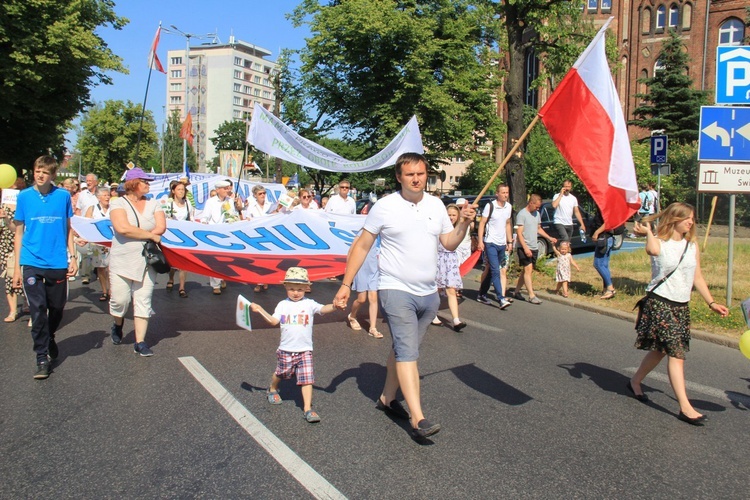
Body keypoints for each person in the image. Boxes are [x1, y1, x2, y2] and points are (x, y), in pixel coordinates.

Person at [333, 152, 475, 441]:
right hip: (395, 289)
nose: (416, 178)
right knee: (409, 353)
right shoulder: (385, 207)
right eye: (410, 174)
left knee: (401, 349)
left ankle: (387, 398)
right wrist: (346, 284)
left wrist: (464, 224)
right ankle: (418, 418)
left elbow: (449, 243)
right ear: (399, 177)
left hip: (429, 294)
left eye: (421, 173)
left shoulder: (436, 205)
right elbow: (361, 246)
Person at [628, 203, 728, 425]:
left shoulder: (691, 246)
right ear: (674, 219)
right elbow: (652, 251)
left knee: (661, 351)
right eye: (687, 218)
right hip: (660, 303)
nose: (691, 222)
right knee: (676, 353)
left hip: (681, 307)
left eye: (692, 218)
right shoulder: (659, 242)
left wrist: (711, 302)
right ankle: (685, 407)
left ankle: (635, 381)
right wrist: (649, 231)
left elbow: (697, 277)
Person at [12, 156, 78, 379]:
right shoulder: (24, 196)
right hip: (31, 261)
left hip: (57, 260)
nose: (40, 175)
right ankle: (41, 357)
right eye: (37, 170)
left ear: (52, 175)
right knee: (38, 309)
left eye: (45, 172)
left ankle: (49, 336)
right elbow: (19, 232)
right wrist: (16, 267)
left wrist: (73, 256)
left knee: (57, 307)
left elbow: (68, 228)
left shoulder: (62, 196)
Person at [250, 267, 336, 423]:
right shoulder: (283, 305)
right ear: (285, 287)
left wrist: (335, 305)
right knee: (281, 373)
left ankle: (308, 409)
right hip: (286, 349)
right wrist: (260, 310)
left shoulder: (309, 304)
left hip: (305, 350)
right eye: (291, 288)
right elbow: (273, 321)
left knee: (307, 379)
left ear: (306, 288)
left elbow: (323, 309)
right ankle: (272, 388)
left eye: (299, 289)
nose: (295, 292)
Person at [108, 167, 166, 356]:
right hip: (122, 259)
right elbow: (122, 228)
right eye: (145, 181)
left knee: (143, 299)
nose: (148, 184)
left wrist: (146, 235)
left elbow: (161, 227)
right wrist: (149, 235)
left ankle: (140, 342)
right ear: (133, 184)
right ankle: (118, 323)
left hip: (147, 259)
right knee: (120, 300)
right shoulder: (118, 203)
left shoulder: (154, 204)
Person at [513, 194, 557, 305]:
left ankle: (516, 291)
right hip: (524, 247)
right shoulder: (522, 214)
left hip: (534, 247)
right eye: (536, 206)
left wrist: (549, 237)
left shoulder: (536, 214)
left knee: (526, 271)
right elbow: (519, 233)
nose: (537, 209)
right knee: (528, 270)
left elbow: (538, 229)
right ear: (531, 203)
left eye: (539, 207)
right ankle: (531, 295)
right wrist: (525, 248)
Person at [476, 184, 513, 309]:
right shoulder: (490, 206)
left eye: (507, 192)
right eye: (503, 192)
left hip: (502, 244)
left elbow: (507, 224)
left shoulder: (508, 207)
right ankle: (501, 298)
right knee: (496, 270)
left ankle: (481, 294)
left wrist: (509, 241)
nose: (505, 195)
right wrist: (480, 241)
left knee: (492, 272)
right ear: (497, 193)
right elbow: (482, 223)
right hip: (490, 242)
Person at [433, 204, 467, 331]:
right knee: (436, 290)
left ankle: (456, 320)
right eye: (449, 215)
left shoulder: (457, 228)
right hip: (438, 258)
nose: (451, 217)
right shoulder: (439, 226)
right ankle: (433, 314)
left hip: (450, 260)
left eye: (454, 215)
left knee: (451, 290)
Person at [202, 179, 237, 295]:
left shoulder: (230, 201)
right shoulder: (210, 202)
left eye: (228, 188)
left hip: (226, 233)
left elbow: (232, 215)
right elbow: (205, 217)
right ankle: (215, 285)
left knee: (225, 259)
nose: (227, 190)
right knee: (214, 260)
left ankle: (222, 277)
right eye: (224, 188)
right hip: (213, 233)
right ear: (218, 190)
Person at [346, 231, 383, 338]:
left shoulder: (384, 234)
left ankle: (373, 328)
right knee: (361, 299)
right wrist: (349, 272)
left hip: (375, 269)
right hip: (360, 268)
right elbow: (351, 251)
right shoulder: (364, 232)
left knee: (373, 297)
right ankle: (352, 316)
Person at [1, 177, 27, 323]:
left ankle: (26, 302)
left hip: (21, 243)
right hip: (5, 244)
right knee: (9, 276)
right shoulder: (2, 205)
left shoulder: (22, 206)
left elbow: (16, 229)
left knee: (23, 274)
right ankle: (12, 310)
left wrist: (6, 219)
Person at [164, 180, 194, 298]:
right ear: (173, 191)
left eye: (183, 190)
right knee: (173, 263)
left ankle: (182, 287)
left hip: (184, 235)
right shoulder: (168, 204)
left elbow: (191, 217)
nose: (181, 192)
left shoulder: (188, 203)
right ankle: (171, 278)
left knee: (183, 263)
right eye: (179, 189)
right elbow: (164, 218)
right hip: (172, 236)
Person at [84, 186, 112, 302]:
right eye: (104, 195)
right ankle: (104, 291)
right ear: (98, 197)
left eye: (108, 195)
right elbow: (86, 224)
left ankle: (112, 290)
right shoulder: (92, 208)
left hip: (111, 242)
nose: (107, 197)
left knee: (111, 268)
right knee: (101, 268)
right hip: (98, 243)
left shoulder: (113, 208)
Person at [244, 184, 273, 292]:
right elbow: (248, 219)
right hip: (256, 235)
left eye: (264, 193)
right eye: (260, 194)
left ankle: (265, 280)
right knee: (257, 261)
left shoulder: (270, 205)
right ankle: (258, 282)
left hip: (268, 235)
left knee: (267, 260)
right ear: (255, 195)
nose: (263, 195)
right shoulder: (251, 206)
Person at [591, 207, 617, 299]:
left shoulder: (605, 208)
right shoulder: (607, 207)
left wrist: (596, 232)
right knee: (604, 265)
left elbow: (607, 223)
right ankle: (606, 290)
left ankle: (610, 288)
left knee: (598, 264)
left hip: (604, 239)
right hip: (607, 239)